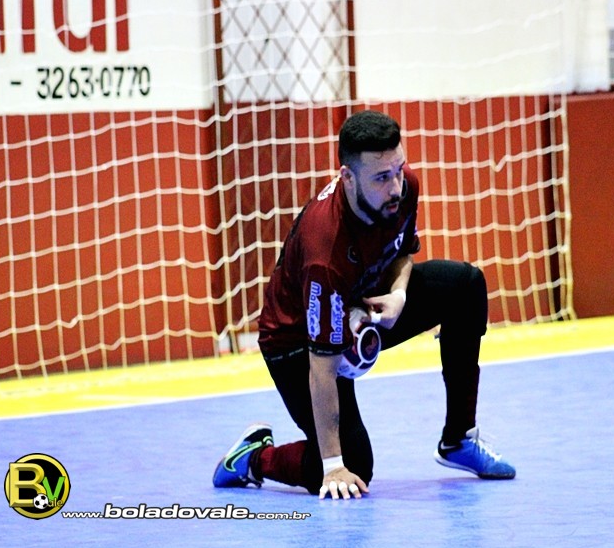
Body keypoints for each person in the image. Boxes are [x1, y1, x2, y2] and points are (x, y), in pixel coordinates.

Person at [212, 110, 515, 500]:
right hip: (297, 340)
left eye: (398, 170)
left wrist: (399, 295)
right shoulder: (325, 251)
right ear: (348, 177)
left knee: (464, 286)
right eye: (382, 178)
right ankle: (254, 459)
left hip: (364, 301)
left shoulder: (402, 188)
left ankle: (458, 439)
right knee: (353, 465)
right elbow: (322, 370)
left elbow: (402, 251)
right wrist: (332, 465)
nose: (395, 187)